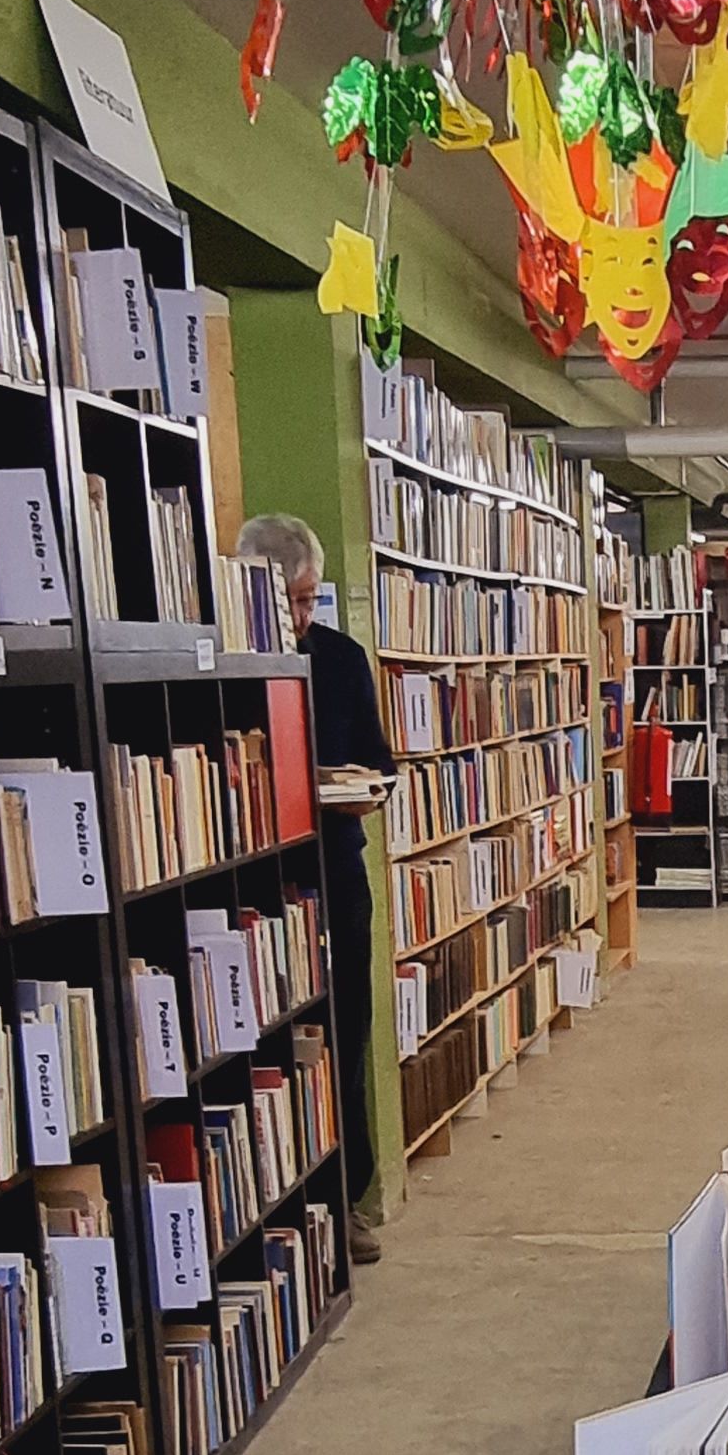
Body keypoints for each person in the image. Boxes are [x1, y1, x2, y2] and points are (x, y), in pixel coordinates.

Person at [237, 515, 393, 1266]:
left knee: (347, 1034)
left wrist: (354, 789)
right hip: (254, 893)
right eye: (289, 602)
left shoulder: (339, 659)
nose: (301, 618)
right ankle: (274, 1194)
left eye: (308, 601)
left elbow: (378, 765)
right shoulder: (224, 660)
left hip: (334, 872)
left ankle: (348, 1196)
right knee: (268, 1052)